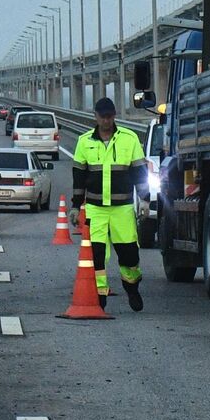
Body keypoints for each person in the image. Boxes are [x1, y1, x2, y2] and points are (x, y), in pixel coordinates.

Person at [68, 97, 148, 312]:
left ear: (114, 116)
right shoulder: (85, 141)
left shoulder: (129, 139)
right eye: (102, 117)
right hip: (95, 209)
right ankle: (100, 296)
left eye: (109, 116)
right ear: (96, 116)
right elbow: (79, 177)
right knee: (97, 255)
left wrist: (145, 199)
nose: (106, 120)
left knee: (130, 255)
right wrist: (76, 206)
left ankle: (132, 288)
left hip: (122, 208)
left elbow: (140, 172)